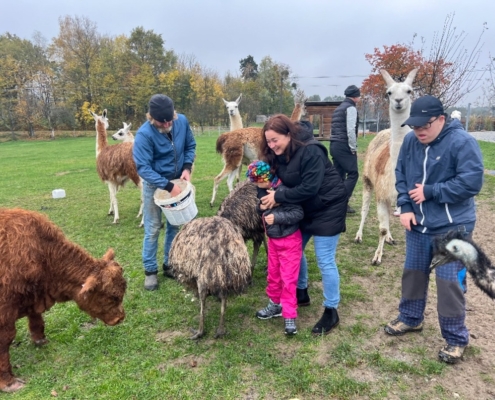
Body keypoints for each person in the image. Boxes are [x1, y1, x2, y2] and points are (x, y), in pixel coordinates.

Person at [384, 95, 484, 364]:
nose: (420, 131)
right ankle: (410, 318)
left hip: (453, 228)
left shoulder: (463, 143)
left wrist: (431, 192)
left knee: (449, 282)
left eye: (424, 125)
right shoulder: (410, 142)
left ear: (441, 119)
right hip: (417, 225)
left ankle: (455, 338)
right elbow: (402, 175)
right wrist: (405, 206)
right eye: (415, 126)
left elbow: (472, 182)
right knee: (413, 274)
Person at [259, 114, 348, 336]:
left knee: (324, 259)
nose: (271, 145)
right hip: (302, 206)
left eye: (275, 140)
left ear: (288, 135)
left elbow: (309, 187)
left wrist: (279, 197)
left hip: (328, 206)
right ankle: (301, 292)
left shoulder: (311, 151)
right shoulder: (276, 153)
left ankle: (331, 310)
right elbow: (269, 179)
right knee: (293, 252)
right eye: (268, 141)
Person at [133, 94, 196, 291]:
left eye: (170, 119)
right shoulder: (144, 135)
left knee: (174, 225)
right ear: (152, 118)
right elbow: (143, 167)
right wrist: (167, 186)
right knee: (152, 229)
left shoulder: (182, 122)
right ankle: (150, 271)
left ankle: (170, 264)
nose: (168, 123)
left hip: (178, 181)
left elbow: (190, 145)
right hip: (155, 186)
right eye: (163, 121)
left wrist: (186, 168)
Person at [246, 160, 304, 336]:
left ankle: (289, 315)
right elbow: (262, 208)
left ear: (265, 178)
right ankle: (274, 305)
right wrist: (260, 207)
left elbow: (298, 213)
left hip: (290, 241)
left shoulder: (285, 190)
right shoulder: (263, 190)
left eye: (257, 181)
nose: (256, 185)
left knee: (288, 279)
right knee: (273, 274)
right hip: (273, 240)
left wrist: (277, 217)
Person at [329, 84, 361, 213]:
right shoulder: (351, 108)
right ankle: (342, 202)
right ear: (356, 96)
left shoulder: (338, 109)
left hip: (334, 144)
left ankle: (334, 203)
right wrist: (353, 147)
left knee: (338, 175)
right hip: (344, 145)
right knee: (353, 173)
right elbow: (350, 130)